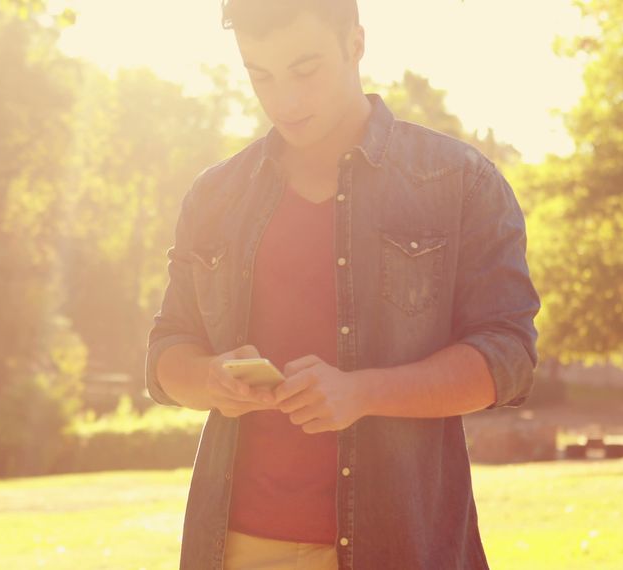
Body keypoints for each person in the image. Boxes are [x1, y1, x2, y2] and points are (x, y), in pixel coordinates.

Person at [144, 1, 540, 568]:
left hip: (401, 546)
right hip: (237, 548)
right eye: (261, 76)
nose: (284, 100)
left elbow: (508, 358)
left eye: (305, 71)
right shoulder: (214, 198)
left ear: (356, 43)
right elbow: (165, 355)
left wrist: (362, 393)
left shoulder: (460, 182)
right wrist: (210, 379)